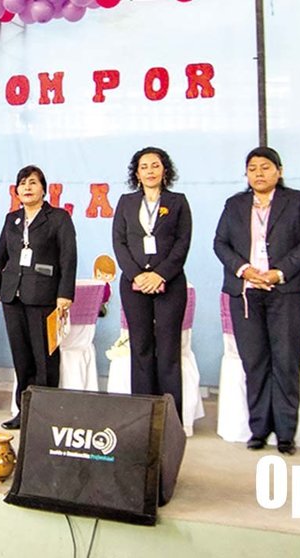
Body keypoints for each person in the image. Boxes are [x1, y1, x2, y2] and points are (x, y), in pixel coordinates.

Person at [213, 147, 300, 455]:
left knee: (286, 361)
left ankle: (286, 433)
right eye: (252, 168)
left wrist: (279, 272)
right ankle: (259, 429)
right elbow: (220, 242)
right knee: (254, 362)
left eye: (265, 167)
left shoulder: (296, 201)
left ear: (279, 171)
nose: (259, 173)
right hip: (246, 291)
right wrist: (244, 269)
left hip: (286, 290)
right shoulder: (235, 204)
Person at [0, 165, 77, 430]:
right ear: (16, 190)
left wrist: (64, 294)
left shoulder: (58, 218)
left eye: (33, 183)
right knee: (22, 359)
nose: (27, 187)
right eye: (23, 183)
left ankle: (47, 414)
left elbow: (68, 257)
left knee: (45, 359)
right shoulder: (11, 219)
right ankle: (24, 412)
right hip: (12, 297)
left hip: (45, 296)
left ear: (43, 189)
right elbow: (0, 257)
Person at [112, 147, 192, 420]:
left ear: (164, 170)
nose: (149, 170)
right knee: (141, 348)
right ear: (137, 173)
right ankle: (143, 415)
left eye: (155, 165)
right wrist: (137, 275)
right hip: (134, 285)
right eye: (144, 166)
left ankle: (171, 418)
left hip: (170, 284)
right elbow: (119, 242)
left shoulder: (178, 201)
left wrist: (160, 275)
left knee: (169, 350)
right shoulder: (126, 202)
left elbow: (182, 243)